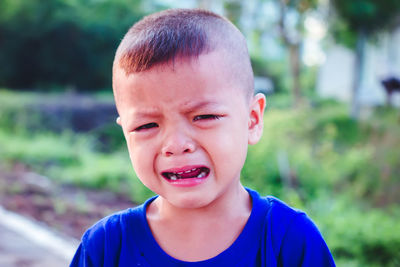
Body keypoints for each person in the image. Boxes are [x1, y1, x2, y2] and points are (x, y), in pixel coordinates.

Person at [70, 8, 335, 266]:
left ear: (252, 120)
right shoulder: (106, 248)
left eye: (204, 117)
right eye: (146, 125)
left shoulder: (289, 242)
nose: (175, 145)